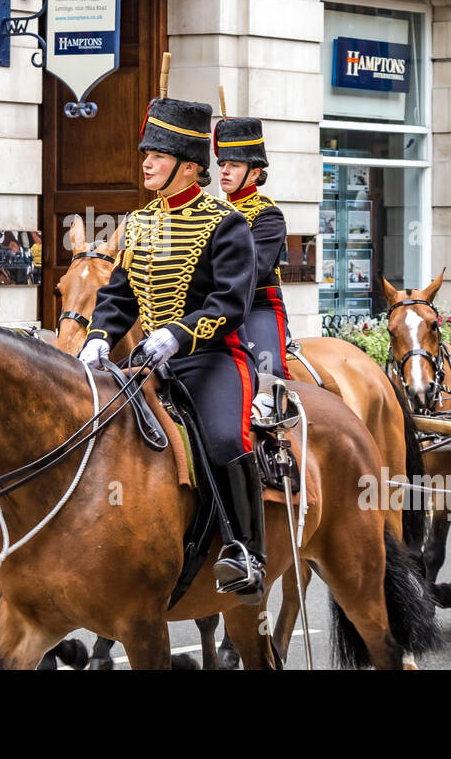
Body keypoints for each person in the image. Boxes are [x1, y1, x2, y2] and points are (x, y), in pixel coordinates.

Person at [79, 96, 266, 601]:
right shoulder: (138, 223)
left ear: (187, 166)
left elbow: (231, 302)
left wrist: (178, 334)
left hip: (211, 357)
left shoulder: (226, 224)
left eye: (156, 156)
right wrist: (98, 337)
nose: (145, 163)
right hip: (145, 361)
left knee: (227, 439)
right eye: (146, 154)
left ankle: (245, 550)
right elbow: (118, 294)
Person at [214, 115, 291, 379]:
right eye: (222, 164)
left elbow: (253, 268)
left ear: (255, 173)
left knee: (269, 371)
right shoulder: (212, 211)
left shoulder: (268, 215)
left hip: (256, 305)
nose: (224, 171)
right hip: (213, 305)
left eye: (233, 165)